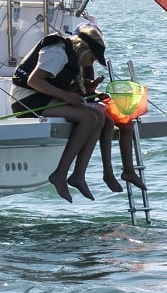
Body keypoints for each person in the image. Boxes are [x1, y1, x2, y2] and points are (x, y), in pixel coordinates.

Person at [12, 22, 129, 201]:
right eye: (92, 58)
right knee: (88, 119)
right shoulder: (57, 53)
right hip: (26, 101)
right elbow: (34, 81)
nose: (91, 63)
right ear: (84, 50)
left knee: (98, 117)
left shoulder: (72, 57)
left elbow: (55, 85)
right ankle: (60, 174)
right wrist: (66, 96)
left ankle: (78, 174)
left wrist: (79, 89)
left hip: (43, 97)